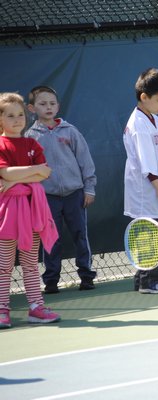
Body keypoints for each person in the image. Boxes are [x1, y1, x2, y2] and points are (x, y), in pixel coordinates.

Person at [25, 86, 97, 294]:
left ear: (58, 106)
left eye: (52, 103)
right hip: (47, 197)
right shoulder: (30, 137)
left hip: (75, 194)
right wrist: (34, 197)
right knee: (50, 239)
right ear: (32, 108)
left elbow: (85, 161)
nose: (48, 107)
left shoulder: (70, 131)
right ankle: (51, 281)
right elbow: (29, 171)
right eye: (42, 104)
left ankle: (86, 275)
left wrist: (89, 189)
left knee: (80, 235)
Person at [0, 92, 61, 328]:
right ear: (1, 120)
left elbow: (45, 171)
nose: (17, 120)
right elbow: (6, 173)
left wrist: (15, 180)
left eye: (20, 115)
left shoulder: (31, 143)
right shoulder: (2, 144)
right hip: (7, 213)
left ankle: (36, 308)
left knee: (29, 263)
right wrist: (26, 174)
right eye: (10, 116)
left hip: (32, 210)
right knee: (4, 265)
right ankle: (2, 309)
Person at [123, 68, 158, 294]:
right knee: (150, 234)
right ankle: (149, 282)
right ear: (144, 97)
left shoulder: (153, 118)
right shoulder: (139, 124)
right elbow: (147, 164)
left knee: (155, 233)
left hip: (156, 187)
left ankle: (142, 279)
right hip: (146, 190)